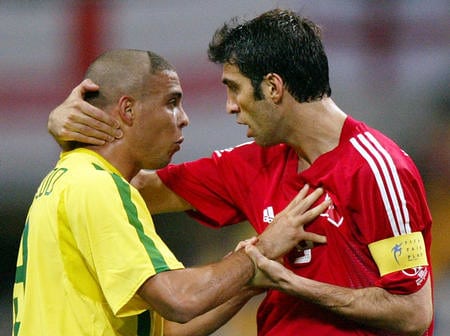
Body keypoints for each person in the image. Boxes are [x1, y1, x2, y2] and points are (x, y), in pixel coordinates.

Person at [47, 9, 434, 336]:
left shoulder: (377, 169)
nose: (230, 107)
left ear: (273, 87)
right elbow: (125, 188)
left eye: (234, 89)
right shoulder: (252, 163)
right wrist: (76, 135)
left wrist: (291, 283)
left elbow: (413, 312)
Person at [13, 48, 332, 336]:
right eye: (172, 103)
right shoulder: (97, 186)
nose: (184, 119)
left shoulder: (71, 178)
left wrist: (249, 280)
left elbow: (164, 328)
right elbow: (179, 300)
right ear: (128, 110)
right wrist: (261, 249)